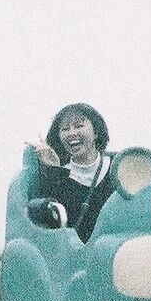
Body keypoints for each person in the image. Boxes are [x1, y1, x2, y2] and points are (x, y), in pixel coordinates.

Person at [27, 102, 114, 241]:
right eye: (65, 129)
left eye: (79, 126)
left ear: (96, 132)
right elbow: (48, 228)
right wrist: (55, 170)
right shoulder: (57, 176)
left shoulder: (118, 166)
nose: (72, 133)